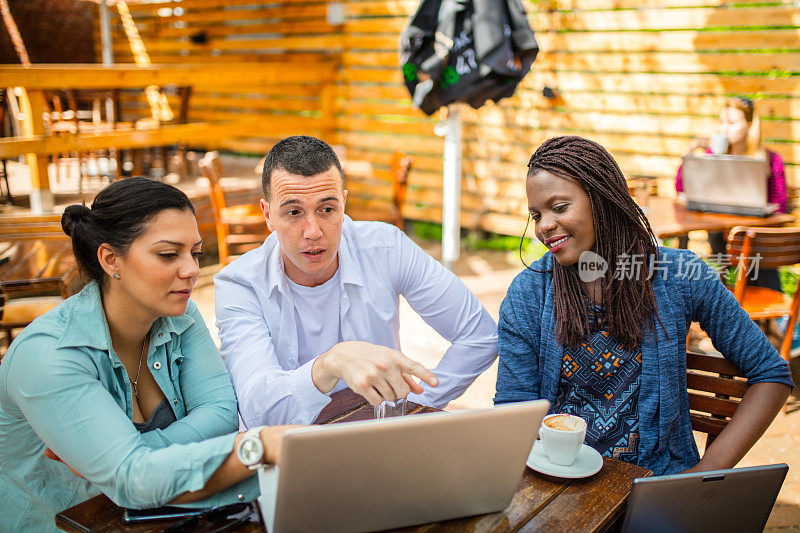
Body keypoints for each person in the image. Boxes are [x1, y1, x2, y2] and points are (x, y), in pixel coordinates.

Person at [0, 178, 292, 532]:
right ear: (110, 259)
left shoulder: (179, 315)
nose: (191, 270)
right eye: (169, 254)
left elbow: (221, 413)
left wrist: (138, 457)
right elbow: (132, 481)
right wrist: (256, 446)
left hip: (167, 516)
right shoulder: (48, 355)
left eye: (195, 253)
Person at [495, 135, 792, 476]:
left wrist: (705, 472)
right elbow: (513, 411)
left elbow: (771, 373)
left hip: (657, 484)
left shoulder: (681, 276)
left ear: (603, 200)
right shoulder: (529, 292)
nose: (544, 226)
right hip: (555, 482)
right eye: (536, 214)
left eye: (559, 207)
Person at [214, 135, 498, 428]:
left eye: (327, 209)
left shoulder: (386, 248)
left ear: (344, 204)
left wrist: (414, 407)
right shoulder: (239, 284)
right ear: (267, 214)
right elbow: (258, 410)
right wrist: (328, 364)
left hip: (378, 439)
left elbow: (480, 336)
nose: (313, 231)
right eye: (294, 212)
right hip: (285, 450)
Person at [675, 97, 788, 286]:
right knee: (718, 239)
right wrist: (692, 152)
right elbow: (680, 188)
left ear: (750, 125)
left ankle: (765, 306)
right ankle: (730, 300)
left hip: (755, 236)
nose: (724, 129)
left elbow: (781, 206)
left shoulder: (771, 160)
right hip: (721, 236)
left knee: (754, 249)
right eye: (722, 122)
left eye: (732, 123)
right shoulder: (713, 156)